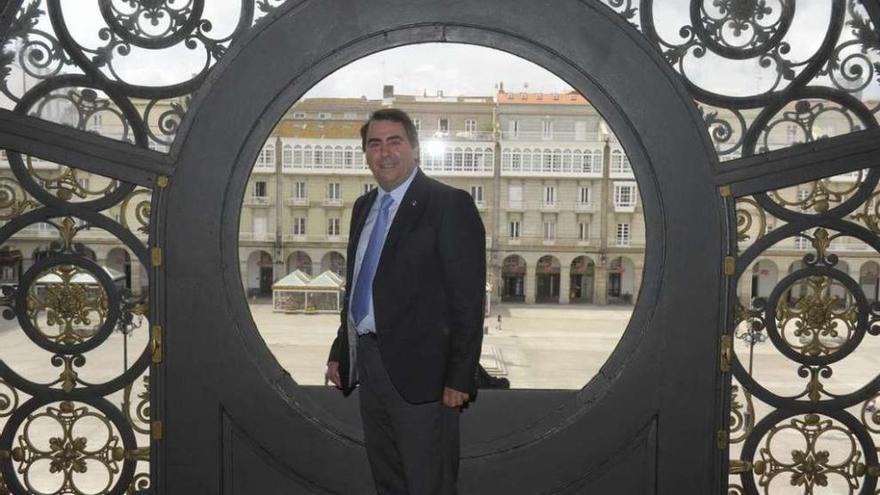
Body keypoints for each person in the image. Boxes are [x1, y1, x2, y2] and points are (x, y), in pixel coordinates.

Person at [326, 108, 486, 494]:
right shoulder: (363, 208)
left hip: (425, 377)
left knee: (428, 483)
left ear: (414, 148)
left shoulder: (448, 204)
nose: (385, 152)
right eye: (374, 144)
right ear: (365, 153)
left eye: (394, 141)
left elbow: (467, 298)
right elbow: (359, 286)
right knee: (389, 480)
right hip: (370, 365)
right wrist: (341, 352)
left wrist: (459, 376)